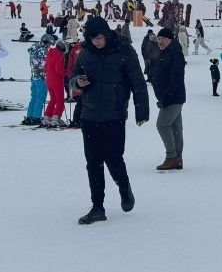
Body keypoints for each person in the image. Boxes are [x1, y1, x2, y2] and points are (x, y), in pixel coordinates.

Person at [72, 17, 149, 225]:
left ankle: (124, 187)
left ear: (106, 34)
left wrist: (141, 110)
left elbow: (138, 82)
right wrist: (77, 83)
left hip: (113, 116)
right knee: (93, 163)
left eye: (98, 38)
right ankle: (98, 207)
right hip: (89, 115)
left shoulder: (124, 52)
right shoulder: (85, 53)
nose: (95, 42)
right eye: (91, 38)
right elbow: (73, 77)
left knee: (113, 159)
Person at [152, 28, 186, 170]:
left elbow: (175, 77)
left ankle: (171, 156)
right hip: (173, 96)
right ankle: (177, 158)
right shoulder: (167, 52)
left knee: (162, 124)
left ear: (170, 39)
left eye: (163, 39)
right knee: (175, 127)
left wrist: (166, 96)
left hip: (173, 97)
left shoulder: (174, 53)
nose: (160, 41)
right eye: (158, 38)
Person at [44, 38, 67, 127]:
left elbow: (45, 68)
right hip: (57, 80)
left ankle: (47, 116)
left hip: (48, 80)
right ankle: (56, 118)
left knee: (53, 99)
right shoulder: (59, 55)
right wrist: (67, 72)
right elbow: (59, 70)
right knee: (60, 100)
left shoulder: (50, 53)